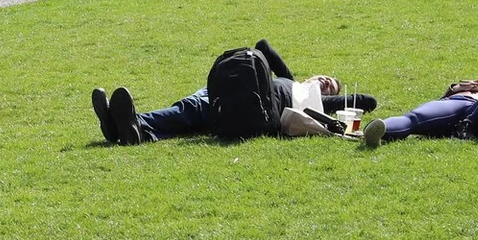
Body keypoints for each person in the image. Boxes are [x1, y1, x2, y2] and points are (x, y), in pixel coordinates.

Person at [92, 40, 376, 145]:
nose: (325, 83)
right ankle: (124, 126)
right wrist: (293, 76)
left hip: (247, 105)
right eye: (324, 78)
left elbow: (366, 101)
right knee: (190, 105)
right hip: (231, 92)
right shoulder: (289, 80)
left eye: (330, 86)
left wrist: (330, 95)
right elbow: (263, 46)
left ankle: (130, 125)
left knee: (192, 110)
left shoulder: (311, 102)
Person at [360, 67, 478, 148]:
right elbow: (446, 95)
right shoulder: (460, 93)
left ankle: (466, 127)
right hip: (455, 104)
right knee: (414, 119)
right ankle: (378, 130)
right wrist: (457, 88)